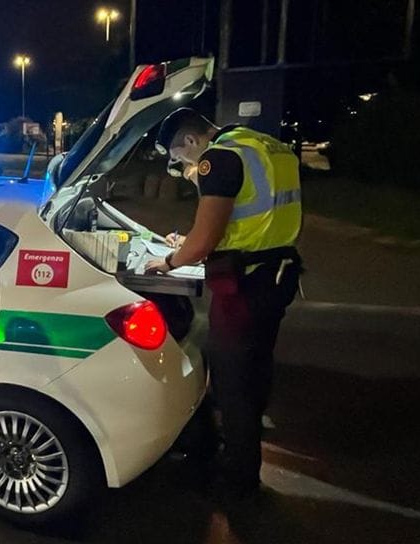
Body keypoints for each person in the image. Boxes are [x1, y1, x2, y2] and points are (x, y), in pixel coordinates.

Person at [146, 108, 303, 500]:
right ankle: (247, 450)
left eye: (179, 156)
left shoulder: (219, 157)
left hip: (245, 283)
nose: (183, 165)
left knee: (232, 381)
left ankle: (238, 479)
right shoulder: (269, 145)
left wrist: (168, 261)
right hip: (278, 272)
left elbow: (204, 243)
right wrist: (192, 244)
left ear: (191, 140)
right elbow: (254, 217)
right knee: (257, 366)